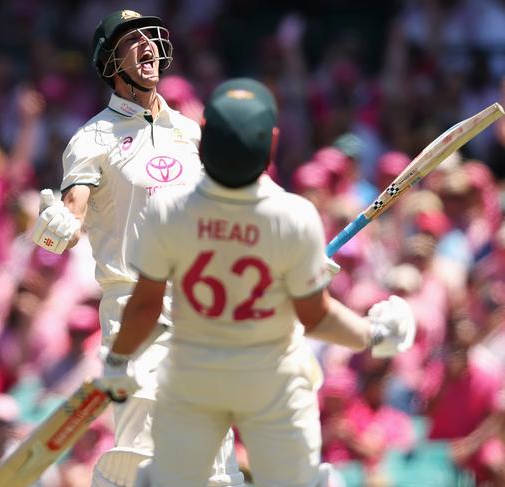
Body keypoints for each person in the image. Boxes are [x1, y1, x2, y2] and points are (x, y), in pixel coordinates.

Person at [100, 78, 416, 487]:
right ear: (272, 144)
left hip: (193, 380)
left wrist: (118, 361)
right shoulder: (294, 216)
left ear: (202, 138)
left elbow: (143, 308)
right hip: (271, 386)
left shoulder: (165, 210)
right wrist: (375, 333)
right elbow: (316, 319)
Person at [30, 9, 243, 487]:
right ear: (110, 61)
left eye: (151, 36)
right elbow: (67, 218)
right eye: (132, 40)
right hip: (135, 307)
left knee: (214, 466)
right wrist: (55, 226)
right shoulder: (93, 138)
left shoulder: (189, 133)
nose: (147, 46)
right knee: (140, 452)